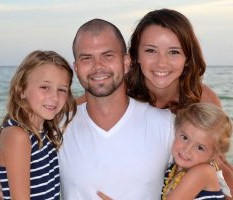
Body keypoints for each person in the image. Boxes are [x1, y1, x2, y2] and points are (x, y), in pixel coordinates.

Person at [125, 8, 233, 200]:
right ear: (135, 55)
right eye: (151, 50)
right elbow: (71, 108)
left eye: (174, 52)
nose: (162, 63)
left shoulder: (203, 98)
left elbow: (217, 158)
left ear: (187, 59)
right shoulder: (119, 92)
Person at [58, 18, 175, 199]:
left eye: (108, 55)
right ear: (76, 67)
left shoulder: (167, 124)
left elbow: (217, 187)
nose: (98, 66)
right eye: (87, 58)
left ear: (126, 62)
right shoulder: (56, 128)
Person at [0, 50, 77, 199]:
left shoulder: (44, 131)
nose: (55, 97)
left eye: (62, 89)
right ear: (21, 90)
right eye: (45, 87)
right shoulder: (18, 136)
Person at [162, 103, 232, 200]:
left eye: (200, 147)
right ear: (176, 130)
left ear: (214, 154)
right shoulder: (172, 169)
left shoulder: (202, 172)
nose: (187, 150)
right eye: (185, 137)